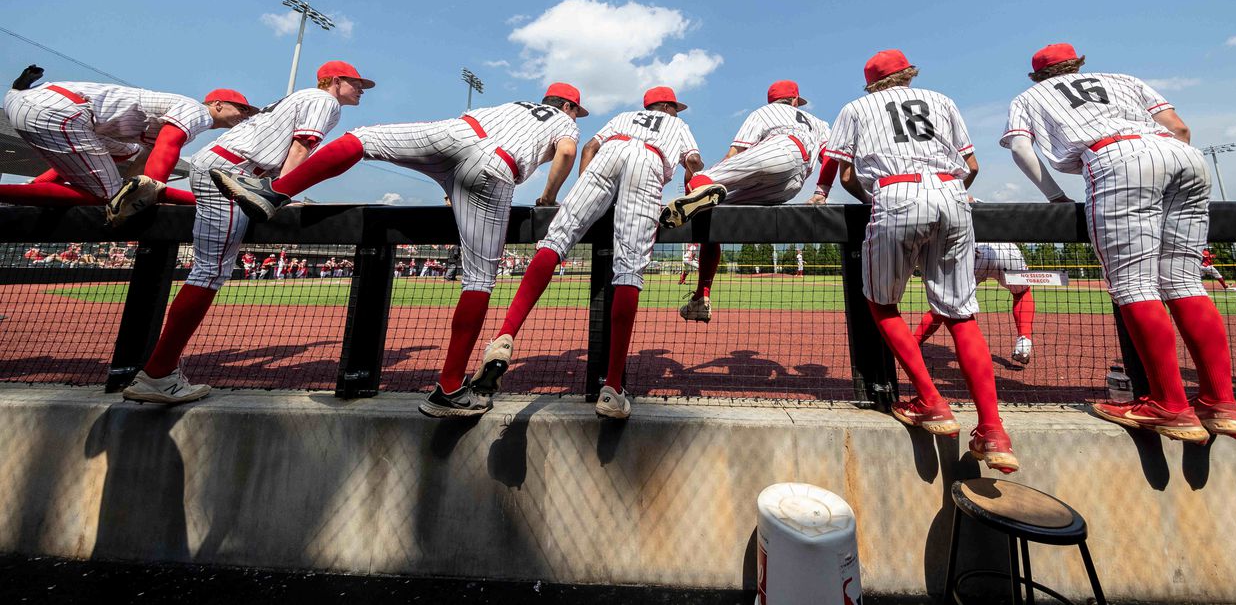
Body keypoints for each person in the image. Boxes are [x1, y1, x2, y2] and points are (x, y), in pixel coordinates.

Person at [211, 82, 586, 417]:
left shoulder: (509, 105)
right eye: (577, 109)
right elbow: (567, 152)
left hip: (453, 133)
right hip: (493, 168)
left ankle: (276, 192)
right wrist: (547, 197)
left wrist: (452, 188)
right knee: (478, 280)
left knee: (360, 141)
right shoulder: (564, 120)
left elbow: (462, 151)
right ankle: (450, 388)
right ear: (568, 106)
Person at [1002, 43, 1236, 442]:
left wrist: (1056, 197)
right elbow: (1181, 128)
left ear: (1037, 75)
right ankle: (1222, 403)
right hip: (1184, 157)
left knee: (1135, 286)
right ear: (1079, 64)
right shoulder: (1124, 79)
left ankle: (1170, 405)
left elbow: (1019, 147)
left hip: (1117, 159)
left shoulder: (1030, 95)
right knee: (1185, 283)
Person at [120, 60, 372, 404]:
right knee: (209, 272)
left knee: (209, 271)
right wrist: (283, 194)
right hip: (231, 174)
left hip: (228, 169)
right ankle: (158, 375)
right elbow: (301, 147)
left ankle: (159, 371)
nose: (361, 90)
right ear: (337, 81)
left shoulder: (298, 99)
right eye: (357, 83)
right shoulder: (324, 100)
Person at [827, 49, 1018, 473]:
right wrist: (946, 192)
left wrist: (875, 201)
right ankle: (993, 431)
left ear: (871, 82)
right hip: (953, 193)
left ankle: (931, 401)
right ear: (908, 75)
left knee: (881, 304)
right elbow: (972, 165)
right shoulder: (943, 100)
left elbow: (843, 175)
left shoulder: (857, 107)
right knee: (961, 315)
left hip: (895, 194)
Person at [474, 86, 703, 419]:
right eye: (675, 108)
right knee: (628, 271)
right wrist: (692, 172)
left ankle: (504, 336)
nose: (677, 112)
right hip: (648, 162)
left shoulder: (624, 116)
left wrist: (588, 187)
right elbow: (693, 161)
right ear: (667, 106)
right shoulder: (677, 126)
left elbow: (591, 146)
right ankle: (611, 388)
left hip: (608, 156)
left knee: (555, 241)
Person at [661, 80, 829, 323]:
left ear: (773, 100)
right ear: (795, 101)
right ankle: (701, 298)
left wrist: (719, 174)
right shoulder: (820, 123)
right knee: (713, 214)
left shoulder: (765, 111)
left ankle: (695, 194)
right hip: (792, 185)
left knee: (702, 179)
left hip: (779, 151)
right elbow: (831, 158)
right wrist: (822, 192)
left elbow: (735, 153)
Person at [1, 65, 257, 223]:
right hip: (58, 110)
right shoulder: (197, 111)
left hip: (34, 99)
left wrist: (140, 189)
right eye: (243, 109)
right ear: (218, 104)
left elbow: (140, 168)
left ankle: (36, 187)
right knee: (107, 195)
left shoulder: (180, 114)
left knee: (127, 152)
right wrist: (151, 190)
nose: (246, 115)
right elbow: (169, 144)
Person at [915, 241, 1037, 364]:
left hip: (975, 250)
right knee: (1021, 293)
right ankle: (1023, 342)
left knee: (946, 304)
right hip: (1008, 250)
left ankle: (914, 344)